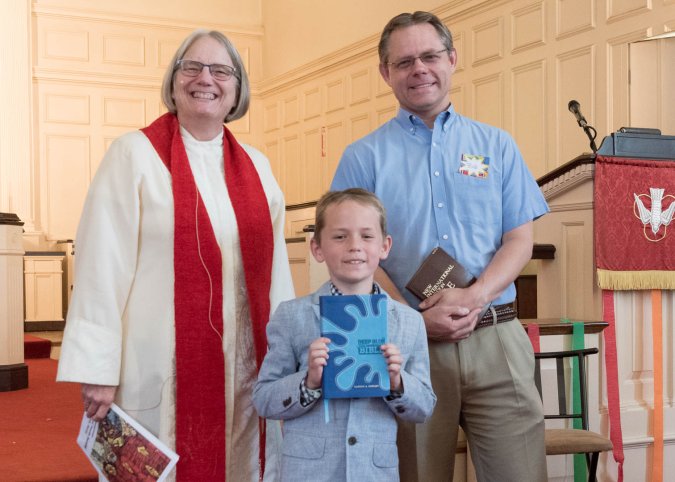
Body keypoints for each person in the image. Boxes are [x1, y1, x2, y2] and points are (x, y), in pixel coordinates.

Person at [56, 29, 294, 481]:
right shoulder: (133, 155)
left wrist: (286, 359)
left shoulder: (258, 168)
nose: (206, 78)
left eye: (221, 70)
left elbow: (276, 273)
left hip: (244, 367)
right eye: (193, 67)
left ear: (237, 89)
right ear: (174, 80)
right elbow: (100, 268)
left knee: (243, 464)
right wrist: (98, 368)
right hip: (157, 362)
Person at [331, 11, 550, 482]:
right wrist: (411, 319)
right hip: (405, 348)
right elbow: (350, 260)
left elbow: (519, 239)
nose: (419, 69)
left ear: (452, 59)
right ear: (385, 73)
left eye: (430, 56)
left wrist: (474, 296)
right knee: (416, 474)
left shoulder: (497, 145)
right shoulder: (362, 157)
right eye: (404, 61)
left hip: (497, 336)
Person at [253, 188, 436, 481]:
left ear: (385, 246)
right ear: (317, 249)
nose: (355, 246)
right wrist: (308, 381)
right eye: (340, 236)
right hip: (309, 472)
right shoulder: (291, 316)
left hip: (374, 472)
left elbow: (424, 407)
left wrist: (397, 381)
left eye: (367, 236)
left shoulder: (409, 322)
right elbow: (263, 399)